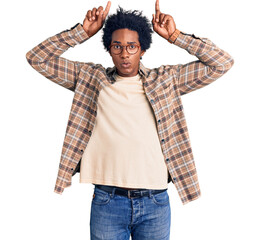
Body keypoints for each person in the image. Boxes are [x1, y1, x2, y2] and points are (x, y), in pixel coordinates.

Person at [26, 0, 234, 239]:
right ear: (109, 48)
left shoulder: (167, 80)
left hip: (155, 201)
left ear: (142, 48)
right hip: (108, 200)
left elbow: (222, 63)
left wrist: (175, 35)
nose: (124, 54)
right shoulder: (90, 78)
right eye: (117, 46)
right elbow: (37, 58)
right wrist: (81, 33)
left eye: (132, 46)